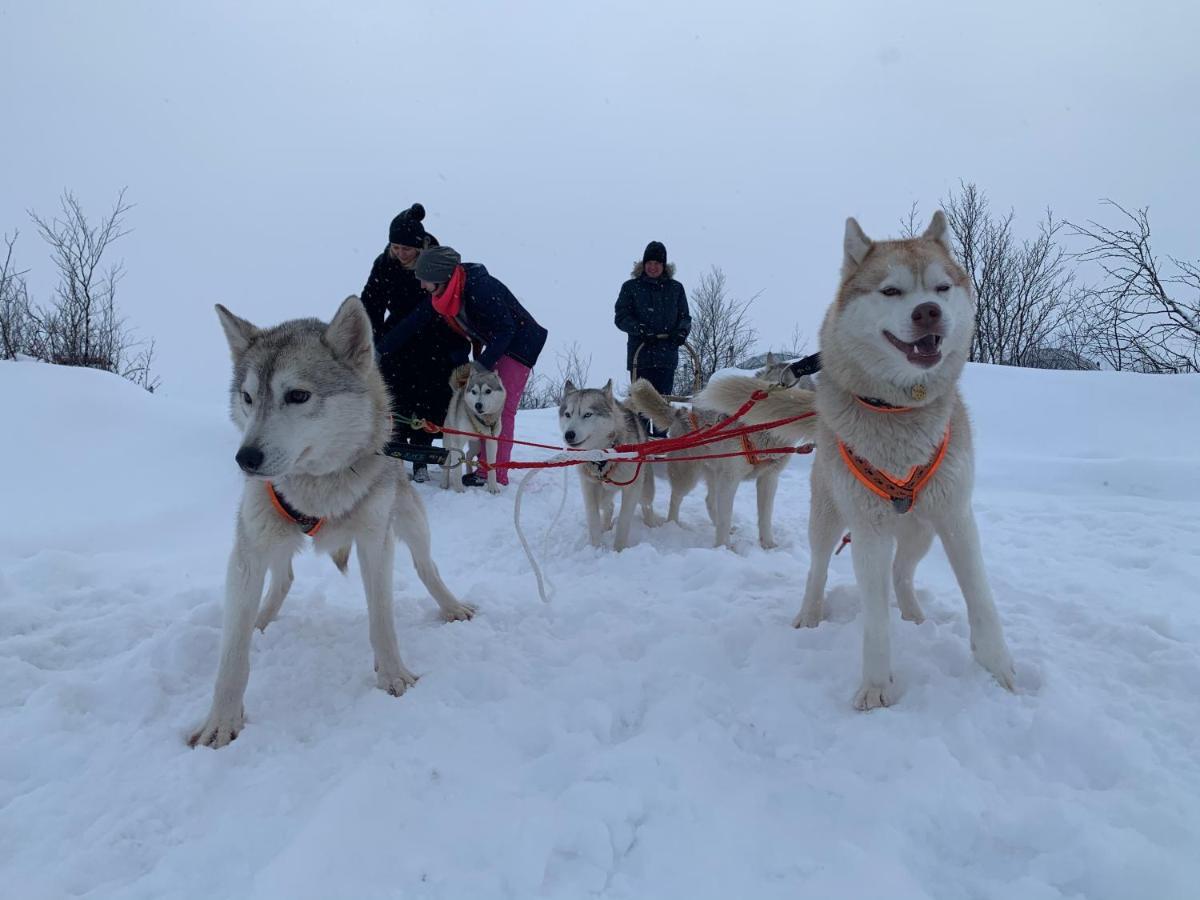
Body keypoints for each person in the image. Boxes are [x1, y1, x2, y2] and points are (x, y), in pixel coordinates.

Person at [379, 245, 547, 487]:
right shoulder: (442, 295)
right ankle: (483, 466)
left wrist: (479, 366)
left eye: (425, 280)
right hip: (498, 342)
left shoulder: (480, 287)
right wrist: (378, 350)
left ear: (441, 277)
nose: (422, 286)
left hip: (520, 345)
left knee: (501, 407)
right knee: (481, 405)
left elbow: (506, 328)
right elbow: (413, 322)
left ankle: (495, 472)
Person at [360, 203, 469, 482]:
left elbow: (434, 310)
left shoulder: (434, 263)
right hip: (396, 337)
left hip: (434, 337)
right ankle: (397, 449)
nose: (400, 253)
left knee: (431, 396)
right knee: (395, 392)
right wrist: (368, 339)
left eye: (405, 248)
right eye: (395, 246)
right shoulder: (384, 263)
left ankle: (422, 453)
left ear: (419, 246)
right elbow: (371, 303)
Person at [614, 240, 691, 435]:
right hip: (641, 358)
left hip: (666, 357)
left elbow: (685, 317)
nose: (653, 267)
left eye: (657, 263)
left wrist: (681, 332)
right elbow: (621, 317)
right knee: (639, 405)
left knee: (661, 407)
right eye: (649, 263)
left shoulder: (675, 289)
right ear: (643, 264)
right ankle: (640, 444)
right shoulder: (631, 287)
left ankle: (659, 445)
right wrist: (640, 329)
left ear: (664, 265)